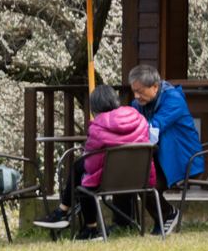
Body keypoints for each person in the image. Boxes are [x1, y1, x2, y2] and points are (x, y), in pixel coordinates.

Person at [37, 84, 155, 236]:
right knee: (81, 170)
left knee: (82, 177)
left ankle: (84, 224)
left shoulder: (97, 127)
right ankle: (66, 214)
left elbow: (90, 164)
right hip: (138, 179)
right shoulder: (139, 119)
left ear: (95, 107)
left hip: (110, 181)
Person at [129, 62, 203, 233]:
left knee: (144, 182)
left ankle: (167, 214)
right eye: (134, 91)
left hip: (183, 159)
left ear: (155, 87)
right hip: (159, 157)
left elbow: (152, 130)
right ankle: (126, 222)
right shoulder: (137, 104)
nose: (136, 96)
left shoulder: (173, 99)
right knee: (133, 177)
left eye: (140, 91)